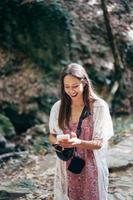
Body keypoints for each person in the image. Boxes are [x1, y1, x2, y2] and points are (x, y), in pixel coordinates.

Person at [49, 63, 114, 200]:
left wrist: (78, 142)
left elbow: (99, 143)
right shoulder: (58, 107)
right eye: (66, 87)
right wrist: (60, 143)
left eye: (75, 86)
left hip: (92, 166)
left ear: (84, 82)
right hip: (67, 164)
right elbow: (52, 135)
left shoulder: (99, 107)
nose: (71, 91)